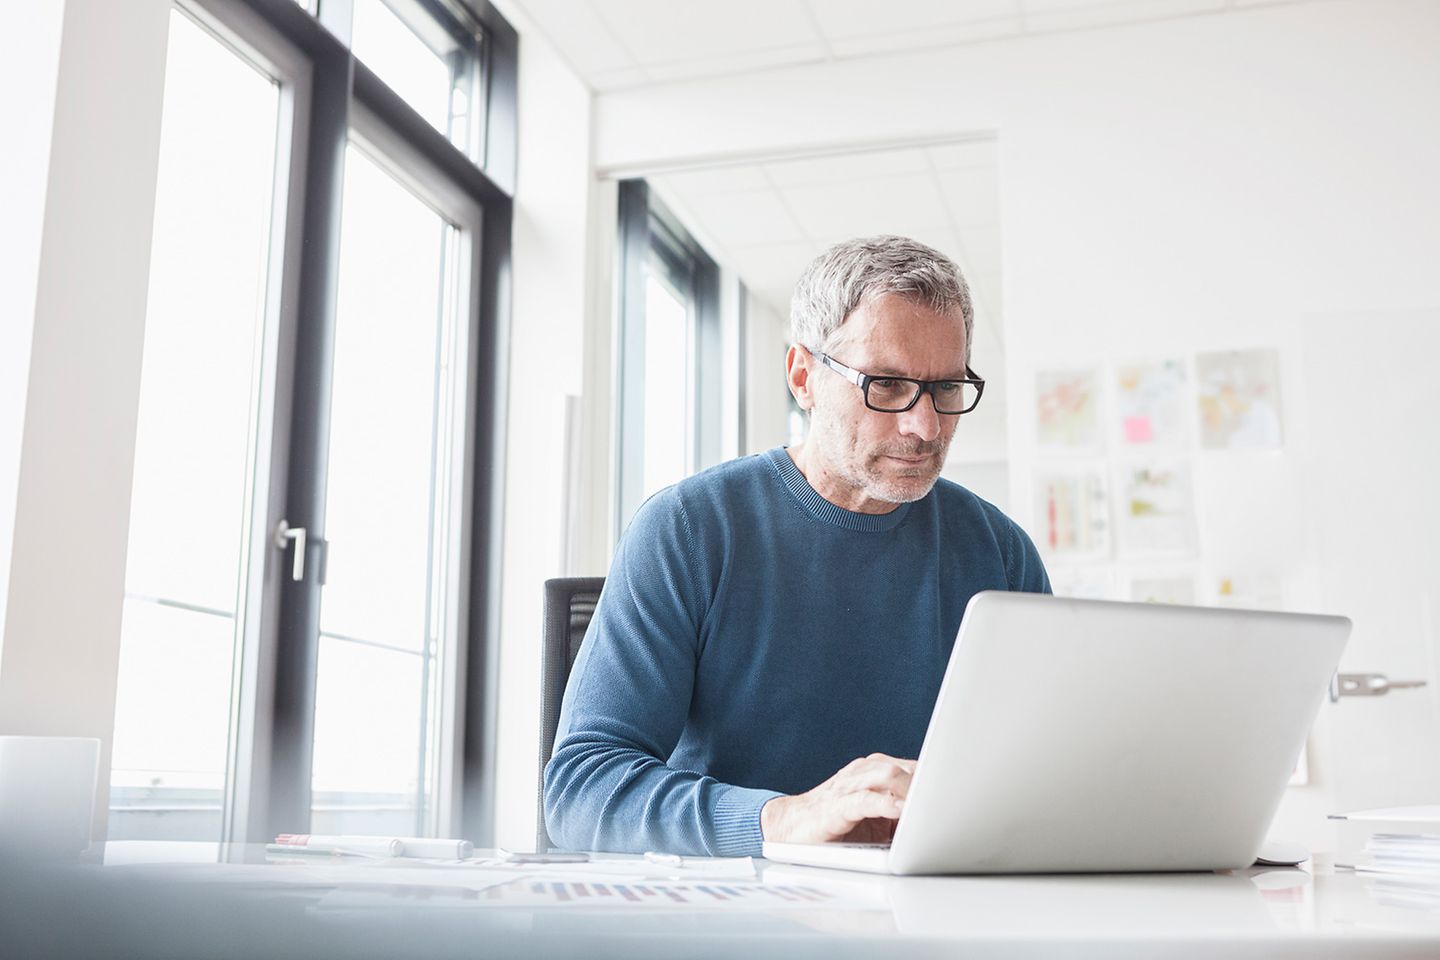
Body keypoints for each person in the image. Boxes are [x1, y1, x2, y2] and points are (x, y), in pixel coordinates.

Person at [544, 235, 1050, 857]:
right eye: (887, 385)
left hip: (926, 916)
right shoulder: (687, 531)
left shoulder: (1000, 554)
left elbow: (1042, 779)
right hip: (734, 917)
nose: (925, 427)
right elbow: (580, 790)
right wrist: (783, 821)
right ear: (803, 377)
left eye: (947, 389)